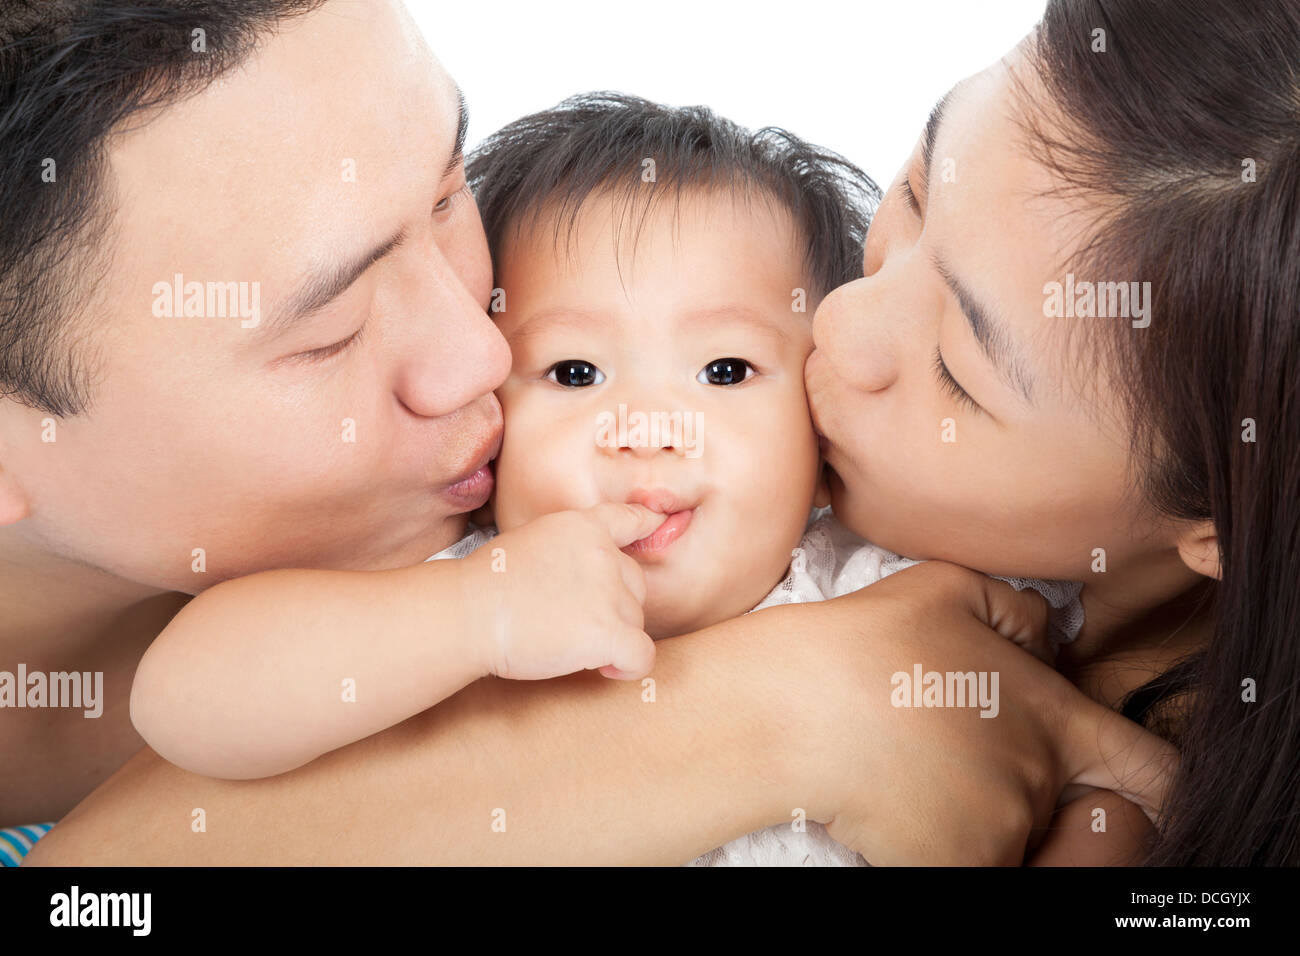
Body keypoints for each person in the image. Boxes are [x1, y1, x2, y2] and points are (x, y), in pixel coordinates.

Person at [17, 0, 1285, 866]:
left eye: (447, 192)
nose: (484, 353)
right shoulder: (486, 546)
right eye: (327, 325)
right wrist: (782, 708)